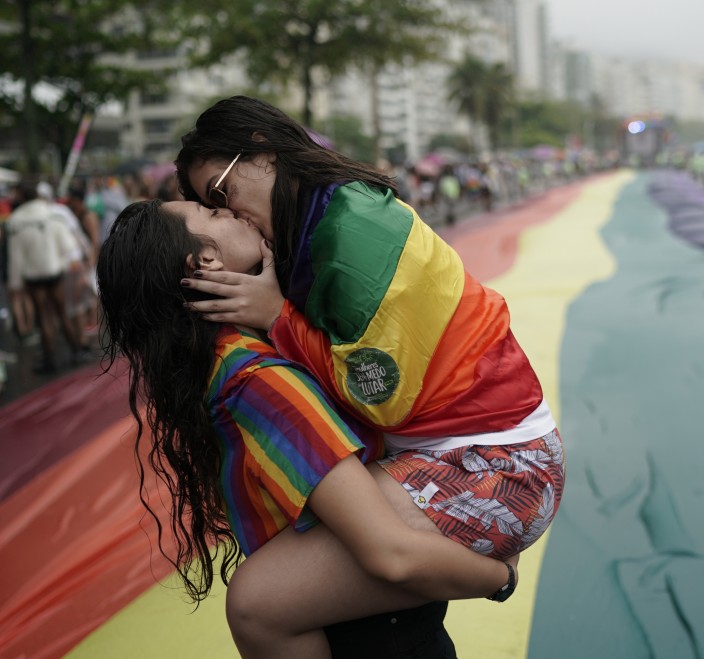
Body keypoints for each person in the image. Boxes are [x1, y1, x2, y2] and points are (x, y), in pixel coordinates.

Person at [174, 94, 563, 641]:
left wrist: (276, 316)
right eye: (208, 206)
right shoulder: (319, 220)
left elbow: (381, 397)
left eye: (220, 193)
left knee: (261, 605)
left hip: (499, 466)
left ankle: (495, 578)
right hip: (462, 453)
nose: (228, 214)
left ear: (262, 152)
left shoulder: (348, 233)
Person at [96, 199, 519, 659]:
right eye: (213, 213)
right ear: (204, 263)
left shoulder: (224, 361)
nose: (233, 210)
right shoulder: (257, 380)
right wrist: (501, 578)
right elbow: (389, 553)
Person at [5, 179, 88, 372]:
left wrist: (15, 283)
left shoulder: (16, 220)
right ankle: (76, 350)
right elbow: (68, 246)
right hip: (55, 271)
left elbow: (16, 256)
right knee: (63, 312)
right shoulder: (53, 214)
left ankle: (50, 358)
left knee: (44, 317)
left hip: (34, 277)